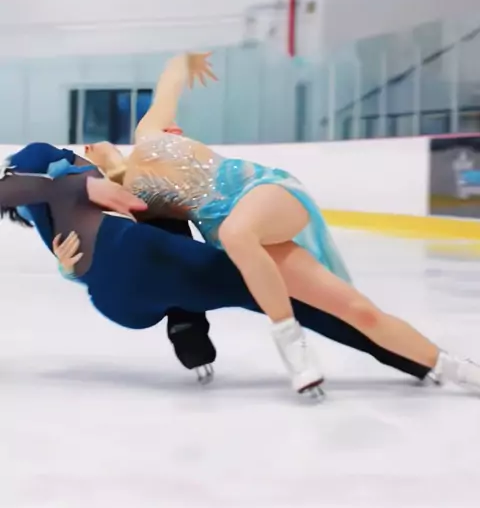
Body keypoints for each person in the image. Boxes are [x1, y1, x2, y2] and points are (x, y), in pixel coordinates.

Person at [83, 53, 479, 399]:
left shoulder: (148, 132)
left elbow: (170, 80)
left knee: (238, 233)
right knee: (359, 313)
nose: (91, 146)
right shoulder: (127, 202)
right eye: (85, 151)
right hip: (239, 238)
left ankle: (293, 347)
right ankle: (458, 369)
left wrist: (188, 60)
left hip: (263, 191)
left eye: (94, 142)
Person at [3, 141, 477, 402]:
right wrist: (87, 184)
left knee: (172, 240)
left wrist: (68, 267)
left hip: (116, 302)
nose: (86, 150)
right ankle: (412, 358)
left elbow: (76, 262)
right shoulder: (63, 175)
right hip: (149, 257)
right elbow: (127, 202)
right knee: (274, 290)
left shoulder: (52, 208)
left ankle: (185, 320)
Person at [7, 140, 216, 382]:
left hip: (126, 289)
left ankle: (187, 325)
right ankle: (187, 324)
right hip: (129, 275)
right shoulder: (47, 182)